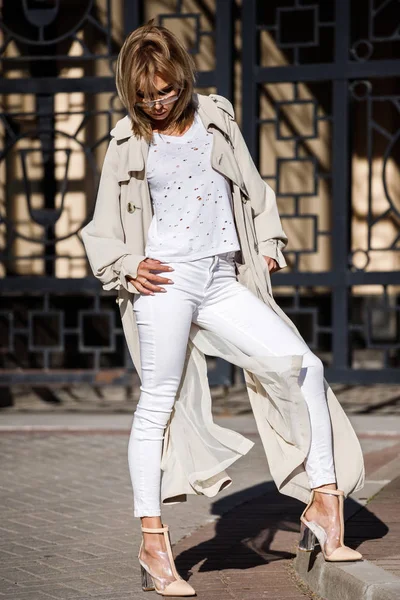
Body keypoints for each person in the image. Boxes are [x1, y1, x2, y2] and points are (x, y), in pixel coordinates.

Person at [82, 19, 363, 597]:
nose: (158, 104)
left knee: (303, 365)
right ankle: (153, 541)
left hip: (222, 277)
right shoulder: (127, 141)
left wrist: (267, 239)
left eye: (165, 91)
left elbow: (253, 187)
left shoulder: (216, 117)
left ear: (182, 78)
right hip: (166, 283)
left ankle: (324, 506)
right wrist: (124, 264)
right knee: (158, 401)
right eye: (145, 96)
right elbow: (102, 224)